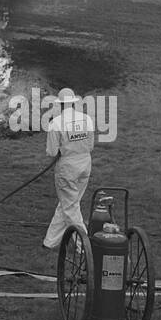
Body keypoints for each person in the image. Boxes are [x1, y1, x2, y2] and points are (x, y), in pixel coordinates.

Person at [42, 87, 94, 251]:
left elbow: (51, 151)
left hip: (68, 167)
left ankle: (85, 246)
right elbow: (91, 145)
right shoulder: (87, 119)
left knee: (70, 206)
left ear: (60, 105)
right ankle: (50, 242)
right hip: (85, 163)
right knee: (68, 203)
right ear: (73, 103)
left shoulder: (56, 123)